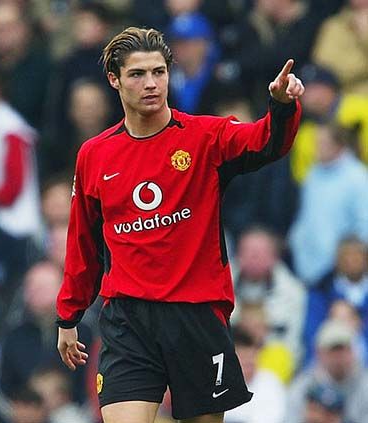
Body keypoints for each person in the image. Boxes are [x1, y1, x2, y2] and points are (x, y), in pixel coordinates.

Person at [55, 27, 304, 423]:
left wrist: (281, 106)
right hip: (128, 319)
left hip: (196, 315)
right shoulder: (95, 155)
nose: (151, 83)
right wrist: (68, 316)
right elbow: (82, 241)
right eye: (137, 74)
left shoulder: (206, 137)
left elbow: (266, 142)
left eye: (159, 72)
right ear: (114, 79)